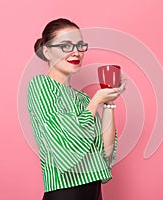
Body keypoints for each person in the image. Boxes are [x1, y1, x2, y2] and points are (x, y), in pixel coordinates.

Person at [27, 18, 126, 200]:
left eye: (80, 46)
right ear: (47, 51)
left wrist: (109, 102)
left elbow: (106, 150)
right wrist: (96, 101)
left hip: (94, 192)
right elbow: (68, 143)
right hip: (65, 193)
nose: (76, 52)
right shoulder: (40, 86)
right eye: (66, 46)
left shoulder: (82, 99)